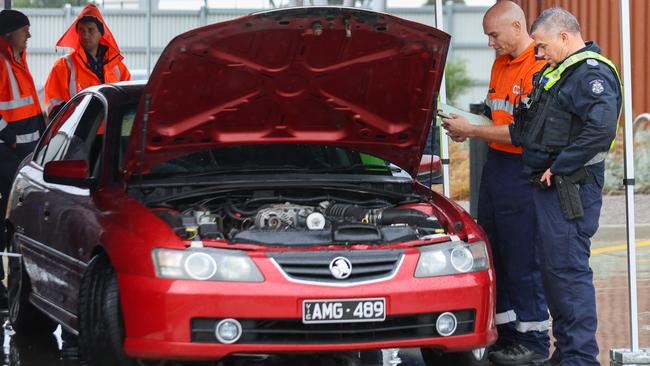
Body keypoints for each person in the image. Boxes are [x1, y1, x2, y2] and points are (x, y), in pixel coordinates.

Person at [510, 7, 621, 365]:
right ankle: (568, 352)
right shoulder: (560, 72)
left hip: (570, 186)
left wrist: (560, 166)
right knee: (555, 273)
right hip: (551, 185)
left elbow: (601, 130)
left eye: (541, 46)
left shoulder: (591, 74)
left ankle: (580, 357)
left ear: (563, 36)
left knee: (568, 272)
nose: (538, 54)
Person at [441, 1, 551, 364]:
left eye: (494, 34)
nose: (490, 42)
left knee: (523, 255)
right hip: (497, 166)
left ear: (517, 27)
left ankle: (533, 342)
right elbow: (495, 113)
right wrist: (462, 122)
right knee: (493, 251)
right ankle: (505, 336)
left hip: (523, 169)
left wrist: (471, 129)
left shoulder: (540, 66)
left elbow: (526, 132)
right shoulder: (500, 64)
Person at [0, 9, 46, 308]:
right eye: (24, 30)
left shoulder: (17, 61)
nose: (29, 35)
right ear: (9, 34)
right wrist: (9, 137)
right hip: (7, 154)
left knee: (15, 217)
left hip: (23, 155)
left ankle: (16, 284)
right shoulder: (2, 63)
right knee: (9, 217)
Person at [44, 3, 130, 119]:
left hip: (111, 132)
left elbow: (128, 101)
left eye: (91, 30)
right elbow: (54, 106)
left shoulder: (117, 66)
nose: (85, 35)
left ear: (101, 34)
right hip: (79, 135)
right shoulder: (63, 66)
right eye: (81, 30)